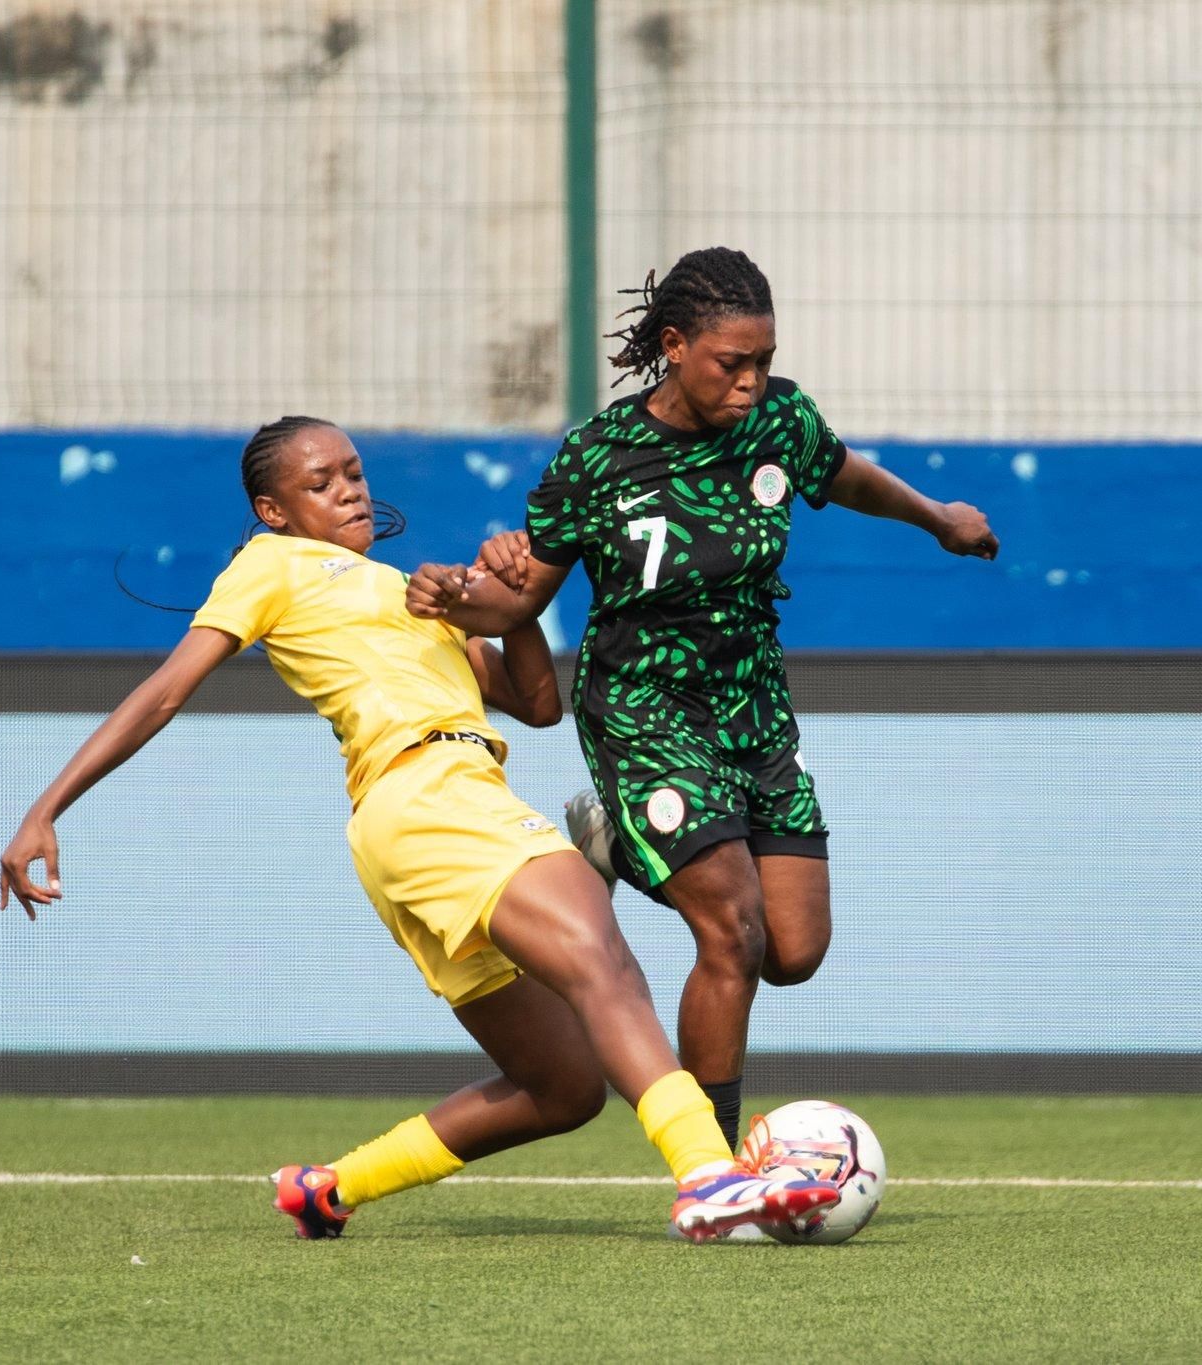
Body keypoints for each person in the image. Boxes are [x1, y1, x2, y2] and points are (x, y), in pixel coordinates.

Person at [0, 415, 837, 1242]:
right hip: (428, 794)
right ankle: (710, 1176)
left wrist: (507, 602)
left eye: (353, 472)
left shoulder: (411, 592)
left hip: (430, 816)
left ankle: (329, 1186)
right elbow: (166, 691)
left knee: (564, 1087)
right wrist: (46, 807)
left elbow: (539, 704)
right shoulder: (273, 565)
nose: (347, 490)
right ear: (273, 512)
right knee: (600, 953)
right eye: (318, 482)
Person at [407, 247, 1000, 1145]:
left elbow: (845, 476)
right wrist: (459, 596)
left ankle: (615, 839)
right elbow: (522, 595)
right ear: (675, 346)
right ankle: (715, 1165)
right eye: (734, 363)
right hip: (644, 712)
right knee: (733, 932)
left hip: (754, 710)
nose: (753, 381)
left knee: (793, 951)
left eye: (764, 361)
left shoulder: (780, 423)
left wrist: (938, 517)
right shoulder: (598, 458)